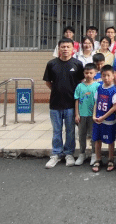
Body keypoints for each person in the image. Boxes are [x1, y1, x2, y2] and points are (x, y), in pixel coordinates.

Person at [43, 38, 84, 169]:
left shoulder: (78, 64)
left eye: (68, 47)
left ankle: (69, 154)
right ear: (59, 48)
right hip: (55, 104)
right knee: (57, 131)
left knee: (70, 131)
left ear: (73, 49)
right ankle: (56, 154)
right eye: (63, 47)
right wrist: (57, 90)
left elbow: (81, 83)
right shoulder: (51, 64)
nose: (65, 49)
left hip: (71, 104)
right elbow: (48, 82)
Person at [91, 65, 116, 173]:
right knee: (97, 140)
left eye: (108, 75)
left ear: (113, 76)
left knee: (110, 141)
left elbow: (114, 107)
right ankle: (98, 159)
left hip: (108, 121)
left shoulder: (114, 90)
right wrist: (94, 115)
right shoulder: (99, 87)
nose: (106, 78)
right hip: (98, 120)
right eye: (104, 75)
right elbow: (96, 102)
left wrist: (103, 117)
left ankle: (111, 159)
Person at [74, 63, 100, 166]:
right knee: (82, 135)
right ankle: (82, 153)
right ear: (84, 73)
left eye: (90, 73)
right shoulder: (79, 86)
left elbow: (99, 101)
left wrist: (97, 115)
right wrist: (77, 114)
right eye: (86, 73)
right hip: (82, 115)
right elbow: (76, 100)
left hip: (93, 115)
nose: (88, 75)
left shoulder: (97, 86)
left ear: (95, 73)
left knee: (93, 135)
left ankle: (94, 154)